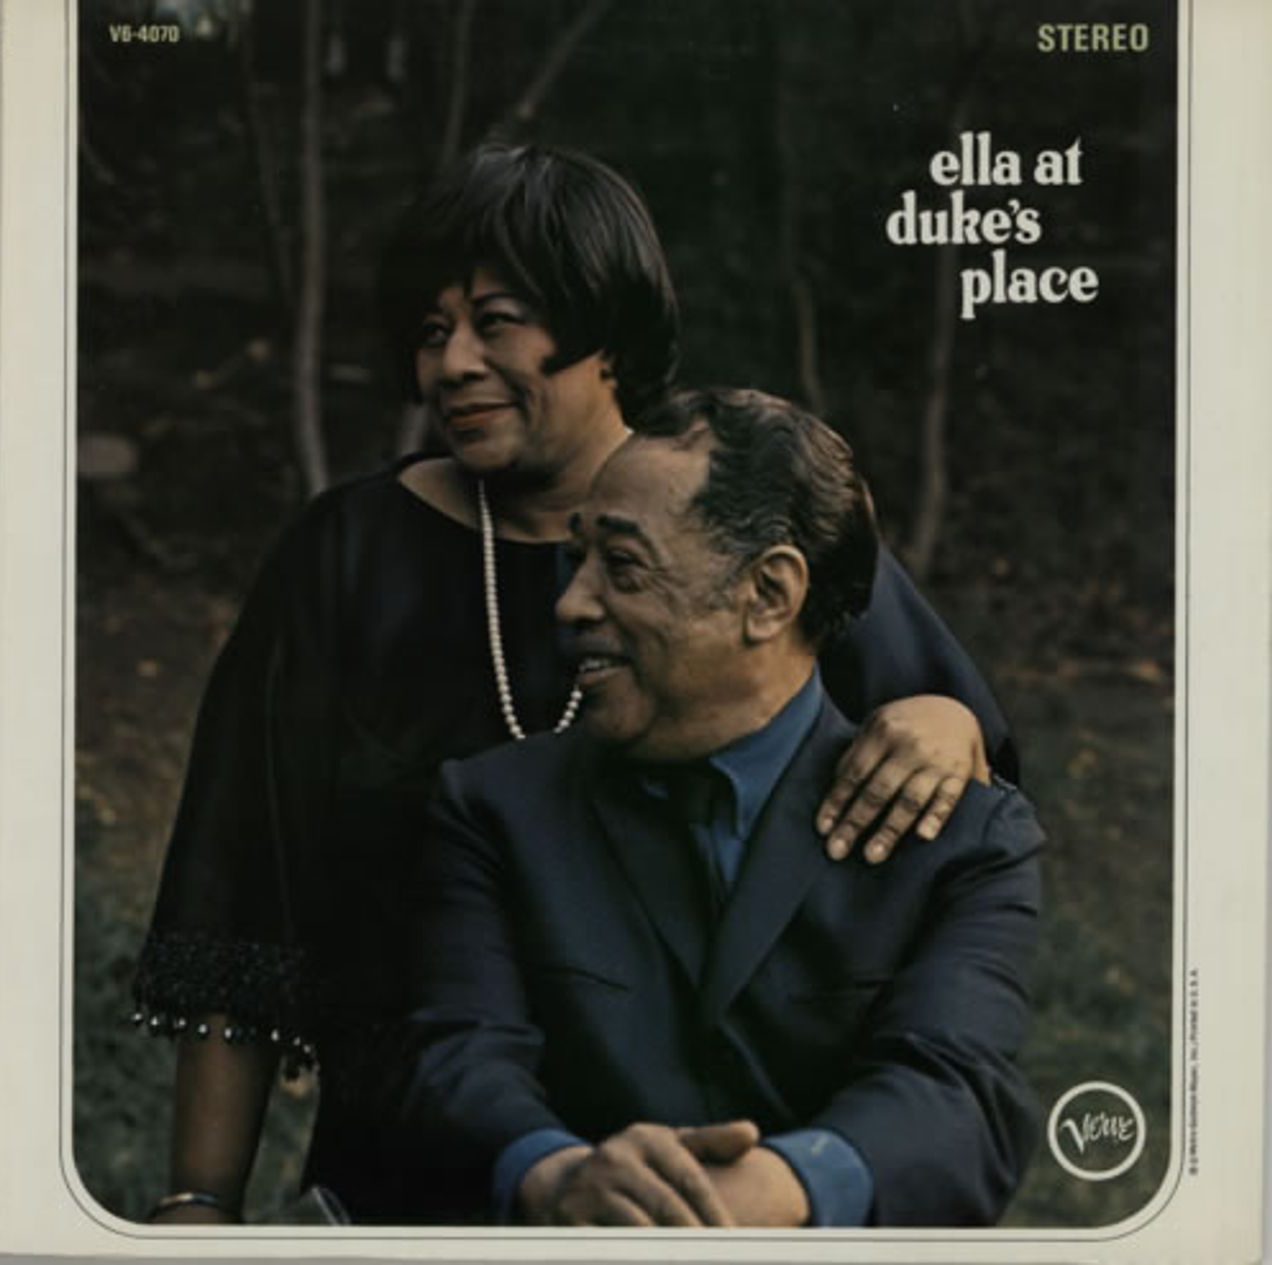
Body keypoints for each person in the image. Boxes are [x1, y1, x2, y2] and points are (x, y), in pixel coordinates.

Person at [133, 145, 1015, 1225]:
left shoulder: (737, 511)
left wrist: (944, 717)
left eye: (495, 321)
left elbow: (957, 794)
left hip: (726, 1167)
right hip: (428, 1149)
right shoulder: (346, 558)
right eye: (428, 331)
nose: (451, 363)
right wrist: (200, 1197)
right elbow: (236, 894)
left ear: (604, 326)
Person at [399, 388, 1043, 1227]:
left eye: (622, 565)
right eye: (576, 558)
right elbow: (457, 1059)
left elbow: (958, 1090)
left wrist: (774, 1192)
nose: (570, 603)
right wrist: (557, 1174)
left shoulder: (964, 837)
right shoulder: (491, 810)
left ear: (769, 594)